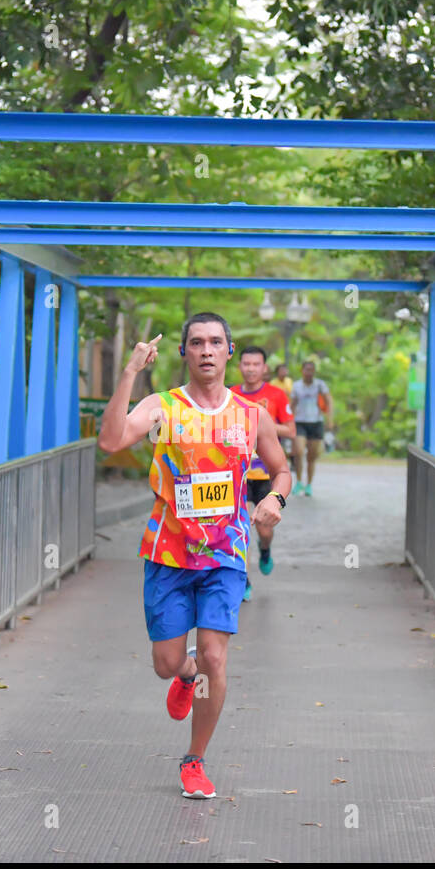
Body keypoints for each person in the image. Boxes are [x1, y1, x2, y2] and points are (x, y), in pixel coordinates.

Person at [97, 313, 291, 799]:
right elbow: (111, 440)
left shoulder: (251, 415)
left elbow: (281, 469)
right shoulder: (162, 407)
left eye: (216, 342)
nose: (207, 350)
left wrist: (275, 498)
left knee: (214, 658)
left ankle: (195, 759)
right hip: (168, 552)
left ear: (230, 352)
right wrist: (129, 373)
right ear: (184, 352)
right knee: (168, 662)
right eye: (197, 342)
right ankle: (183, 677)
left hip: (225, 555)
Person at [230, 346, 296, 599]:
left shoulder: (277, 395)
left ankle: (265, 549)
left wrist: (259, 425)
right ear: (239, 366)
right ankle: (242, 579)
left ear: (264, 368)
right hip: (236, 473)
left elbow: (290, 431)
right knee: (236, 531)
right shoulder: (230, 395)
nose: (250, 369)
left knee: (263, 530)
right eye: (246, 364)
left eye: (256, 364)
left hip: (265, 474)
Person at [289, 360, 332, 497]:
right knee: (299, 451)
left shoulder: (320, 385)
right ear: (302, 371)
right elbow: (293, 404)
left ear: (314, 371)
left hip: (316, 422)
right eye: (307, 369)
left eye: (311, 370)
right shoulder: (297, 386)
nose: (309, 372)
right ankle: (299, 481)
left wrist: (330, 419)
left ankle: (308, 485)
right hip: (300, 422)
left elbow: (328, 400)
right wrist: (288, 420)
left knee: (311, 457)